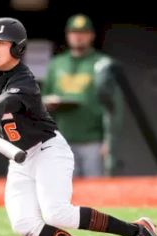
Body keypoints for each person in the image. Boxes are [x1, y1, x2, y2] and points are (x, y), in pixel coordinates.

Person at [0, 17, 157, 236]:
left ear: (17, 47)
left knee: (57, 213)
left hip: (48, 151)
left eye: (0, 43)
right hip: (19, 159)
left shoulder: (24, 80)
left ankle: (137, 232)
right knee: (24, 224)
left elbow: (2, 103)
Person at [42, 14, 123, 177]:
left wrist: (110, 142)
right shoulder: (56, 64)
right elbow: (41, 101)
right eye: (74, 32)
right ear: (67, 35)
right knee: (65, 191)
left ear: (91, 35)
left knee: (95, 193)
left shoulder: (103, 63)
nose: (78, 36)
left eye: (83, 32)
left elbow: (115, 106)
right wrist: (49, 102)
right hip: (62, 139)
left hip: (94, 140)